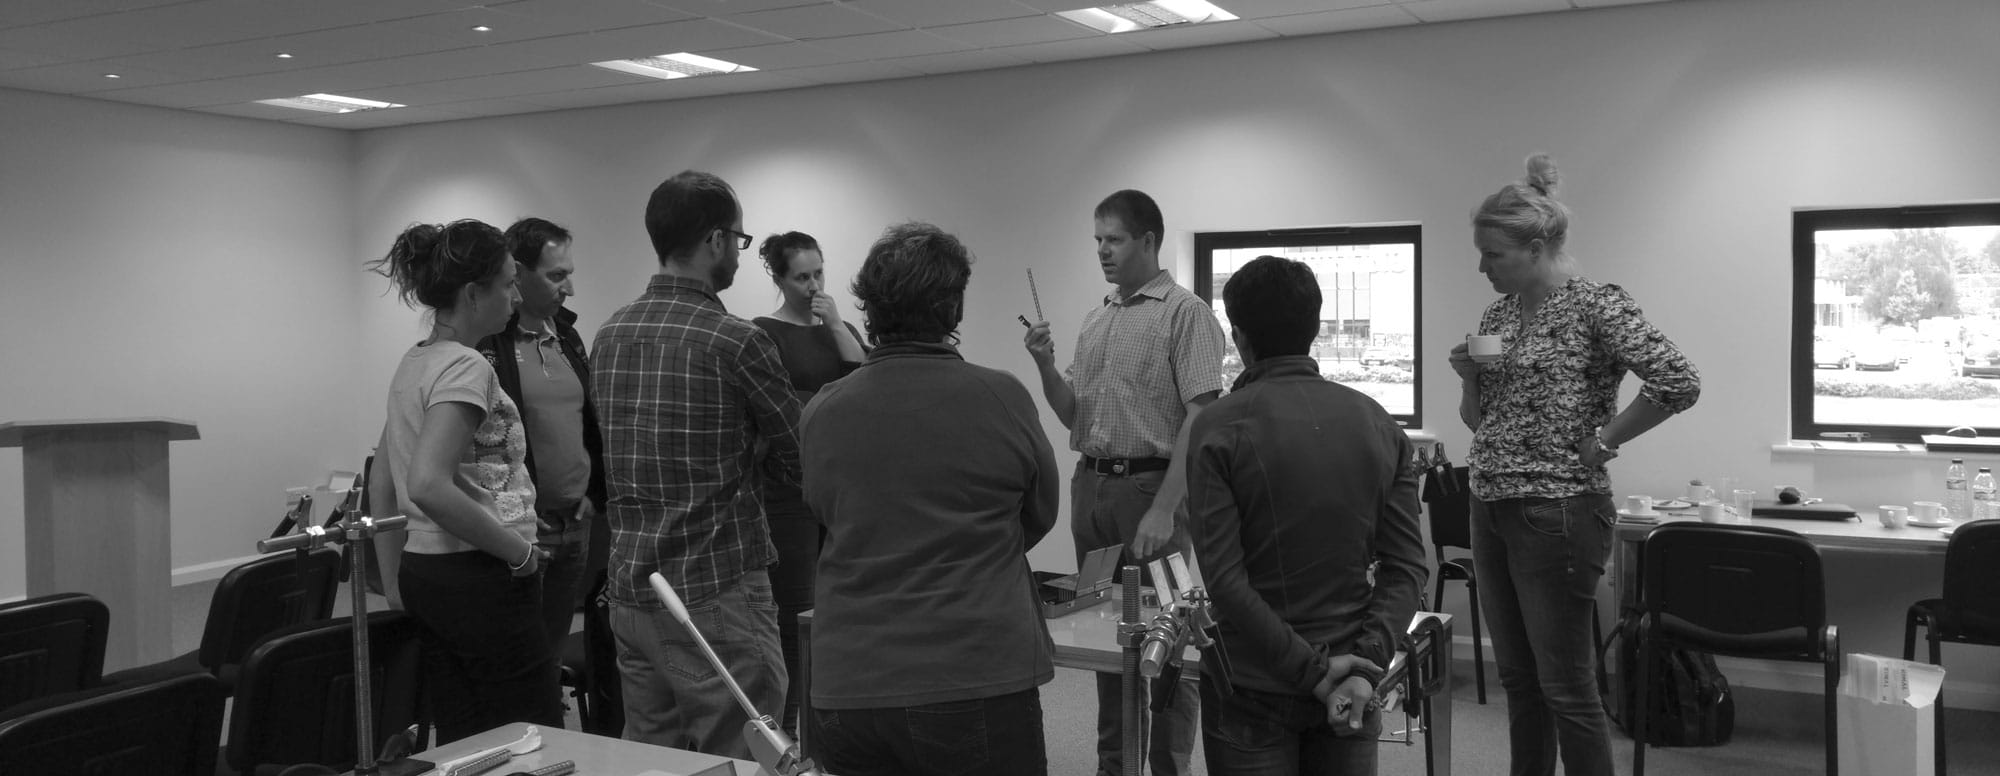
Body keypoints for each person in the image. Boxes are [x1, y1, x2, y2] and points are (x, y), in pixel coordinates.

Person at [1448, 154, 1700, 776]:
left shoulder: (1595, 306)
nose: (1482, 267)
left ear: (1535, 249)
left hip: (1559, 510)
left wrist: (1608, 439)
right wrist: (1468, 381)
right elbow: (1484, 424)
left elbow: (1678, 380)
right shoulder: (1500, 316)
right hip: (1491, 501)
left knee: (1566, 687)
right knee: (1520, 681)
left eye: (1493, 255)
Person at [800, 222, 1060, 776]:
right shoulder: (1002, 396)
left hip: (850, 683)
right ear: (954, 309)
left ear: (867, 308)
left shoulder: (822, 410)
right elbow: (1038, 515)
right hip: (977, 671)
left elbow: (826, 513)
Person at [1187, 255, 1427, 776]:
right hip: (1353, 681)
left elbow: (1225, 581)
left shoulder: (1218, 428)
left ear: (1239, 336)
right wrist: (1366, 669)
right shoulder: (1379, 424)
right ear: (1315, 329)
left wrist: (1312, 672)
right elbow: (1407, 567)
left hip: (1255, 682)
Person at [591, 170, 802, 758]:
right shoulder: (737, 340)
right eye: (740, 238)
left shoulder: (609, 334)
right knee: (740, 755)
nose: (739, 249)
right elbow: (802, 457)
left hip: (632, 593)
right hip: (717, 594)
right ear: (714, 241)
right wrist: (754, 452)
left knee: (652, 760)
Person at [1023, 189, 1226, 776]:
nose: (1103, 252)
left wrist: (1166, 508)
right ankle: (1115, 766)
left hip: (1151, 493)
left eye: (1112, 240)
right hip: (1093, 492)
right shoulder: (1097, 319)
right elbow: (1072, 416)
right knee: (1105, 639)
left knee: (1168, 641)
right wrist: (1042, 363)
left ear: (1148, 240)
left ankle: (1168, 767)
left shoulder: (1184, 313)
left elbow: (1201, 416)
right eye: (1097, 242)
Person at [364, 219, 566, 744]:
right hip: (478, 577)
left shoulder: (416, 361)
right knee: (533, 737)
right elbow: (427, 484)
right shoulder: (466, 367)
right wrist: (517, 551)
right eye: (507, 284)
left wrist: (392, 581)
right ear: (474, 294)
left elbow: (383, 481)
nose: (516, 295)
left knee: (468, 736)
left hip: (430, 572)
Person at [750, 230, 867, 733]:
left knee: (838, 604)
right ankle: (789, 727)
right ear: (777, 277)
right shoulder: (762, 332)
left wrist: (836, 321)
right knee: (795, 608)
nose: (813, 284)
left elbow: (864, 375)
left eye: (819, 273)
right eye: (801, 276)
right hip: (787, 486)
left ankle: (829, 723)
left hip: (839, 485)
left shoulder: (833, 326)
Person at [473, 217, 607, 653]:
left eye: (568, 274)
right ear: (519, 273)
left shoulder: (567, 337)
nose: (567, 288)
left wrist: (593, 493)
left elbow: (588, 422)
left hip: (576, 523)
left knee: (551, 647)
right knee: (518, 652)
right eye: (556, 275)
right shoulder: (488, 346)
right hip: (525, 528)